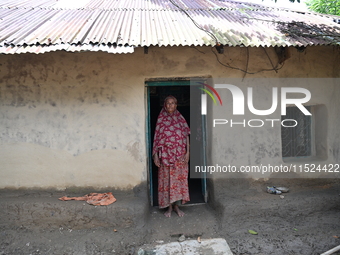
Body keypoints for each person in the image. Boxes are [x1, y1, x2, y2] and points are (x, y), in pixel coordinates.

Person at [152, 95, 190, 217]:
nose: (170, 105)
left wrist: (188, 152)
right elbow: (156, 139)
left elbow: (186, 136)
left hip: (180, 157)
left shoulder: (180, 119)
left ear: (176, 105)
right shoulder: (161, 119)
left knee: (178, 182)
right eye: (168, 103)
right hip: (165, 157)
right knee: (167, 182)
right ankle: (168, 208)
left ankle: (177, 207)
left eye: (173, 103)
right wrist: (156, 156)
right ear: (164, 105)